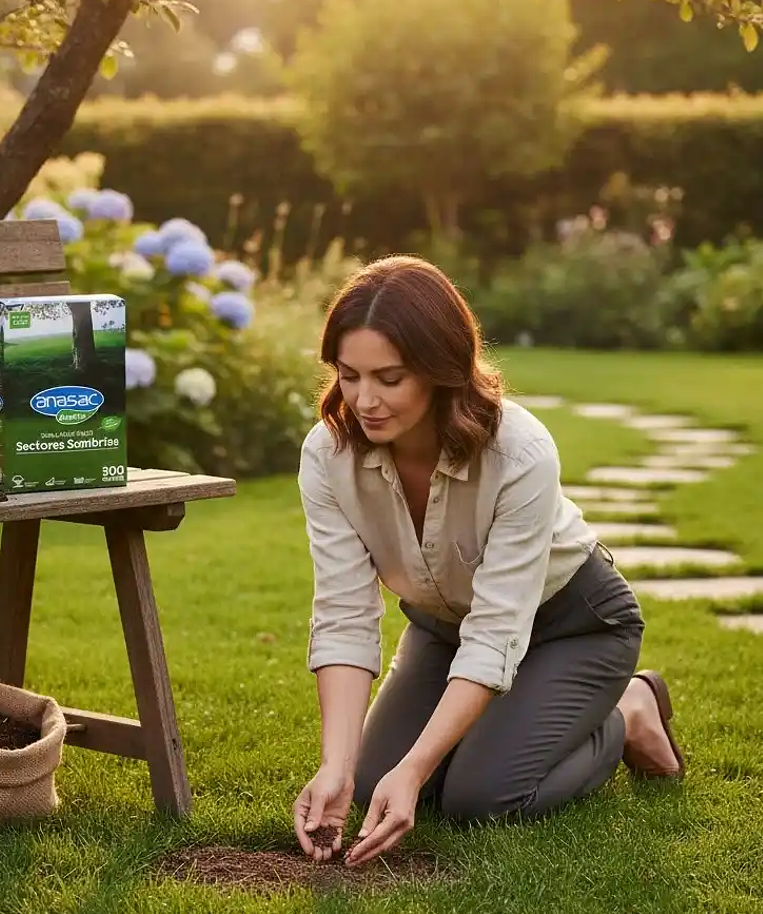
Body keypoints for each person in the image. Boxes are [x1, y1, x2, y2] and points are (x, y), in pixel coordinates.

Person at [292, 255, 685, 869]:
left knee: (482, 797)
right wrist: (335, 767)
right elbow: (344, 613)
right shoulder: (329, 455)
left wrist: (419, 767)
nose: (364, 400)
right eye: (348, 375)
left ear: (440, 370)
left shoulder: (519, 452)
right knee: (371, 786)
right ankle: (470, 740)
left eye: (389, 378)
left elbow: (498, 629)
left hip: (571, 627)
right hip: (442, 628)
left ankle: (626, 712)